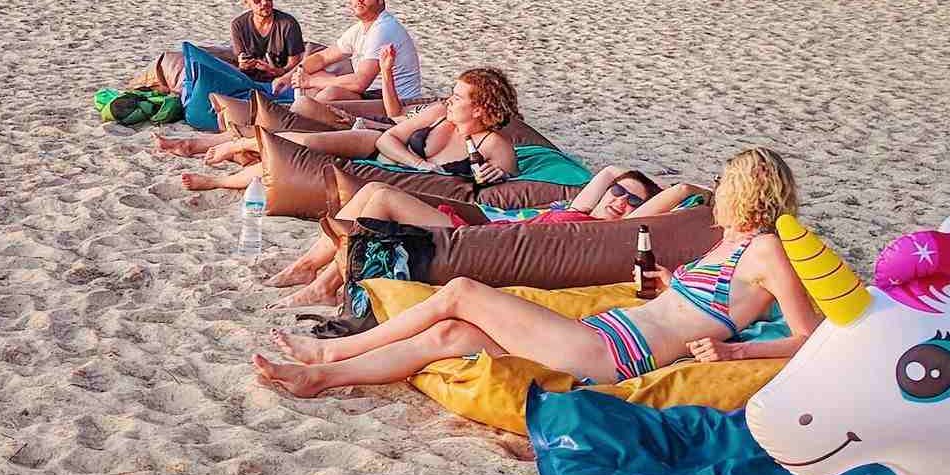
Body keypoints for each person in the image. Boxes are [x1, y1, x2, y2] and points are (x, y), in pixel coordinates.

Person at [252, 148, 822, 397]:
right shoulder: (728, 244)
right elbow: (701, 305)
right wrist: (670, 285)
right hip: (611, 330)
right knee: (453, 334)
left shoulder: (768, 250)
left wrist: (732, 354)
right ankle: (322, 378)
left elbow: (809, 337)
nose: (717, 196)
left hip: (618, 356)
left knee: (462, 292)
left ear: (745, 194)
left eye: (725, 187)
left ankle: (329, 355)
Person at [267, 167, 711, 307]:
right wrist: (619, 176)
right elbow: (609, 173)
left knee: (379, 196)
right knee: (370, 196)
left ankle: (320, 282)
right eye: (616, 194)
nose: (619, 201)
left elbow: (660, 206)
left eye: (631, 201)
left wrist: (690, 190)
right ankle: (310, 267)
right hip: (483, 229)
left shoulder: (602, 232)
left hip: (480, 244)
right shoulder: (575, 209)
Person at [179, 65, 517, 194]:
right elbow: (388, 138)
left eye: (459, 96)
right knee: (305, 141)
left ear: (481, 108)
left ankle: (219, 181)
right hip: (377, 147)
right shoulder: (439, 112)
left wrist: (497, 178)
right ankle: (242, 142)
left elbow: (512, 183)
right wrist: (419, 165)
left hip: (394, 169)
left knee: (292, 162)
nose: (450, 98)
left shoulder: (494, 146)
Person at [286, 0, 422, 102]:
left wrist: (310, 81)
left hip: (395, 100)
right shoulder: (360, 28)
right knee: (315, 80)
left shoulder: (383, 28)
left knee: (329, 94)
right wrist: (295, 75)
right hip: (372, 94)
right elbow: (322, 57)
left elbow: (360, 82)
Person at [229, 0, 306, 83]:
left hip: (280, 82)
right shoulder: (238, 25)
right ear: (247, 2)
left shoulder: (288, 24)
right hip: (249, 81)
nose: (264, 2)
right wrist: (243, 65)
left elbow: (295, 64)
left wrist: (277, 72)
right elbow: (240, 59)